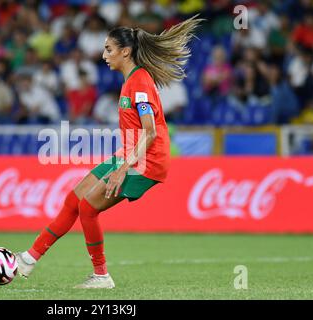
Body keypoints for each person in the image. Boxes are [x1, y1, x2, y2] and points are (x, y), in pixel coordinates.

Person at [14, 16, 202, 289]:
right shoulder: (130, 81)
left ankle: (101, 276)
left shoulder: (139, 83)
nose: (103, 55)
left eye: (109, 49)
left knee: (88, 208)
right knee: (73, 199)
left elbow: (149, 133)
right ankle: (29, 258)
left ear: (125, 51)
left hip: (147, 162)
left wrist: (123, 168)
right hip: (129, 154)